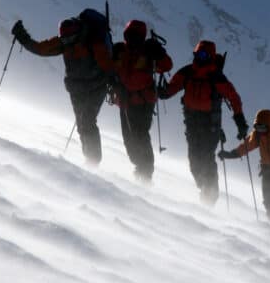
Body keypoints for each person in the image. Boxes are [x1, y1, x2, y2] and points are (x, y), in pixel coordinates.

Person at [11, 12, 113, 166]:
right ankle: (90, 159)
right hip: (77, 89)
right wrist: (22, 36)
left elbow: (108, 66)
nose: (66, 42)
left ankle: (93, 161)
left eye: (69, 39)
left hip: (96, 88)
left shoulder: (93, 42)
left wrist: (114, 82)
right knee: (82, 124)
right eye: (64, 39)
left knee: (87, 121)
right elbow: (41, 49)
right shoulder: (65, 41)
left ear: (76, 33)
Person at [158, 40, 248, 204]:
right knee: (194, 160)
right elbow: (172, 87)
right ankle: (204, 188)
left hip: (210, 126)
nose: (200, 57)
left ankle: (210, 197)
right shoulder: (187, 72)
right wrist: (163, 92)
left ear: (211, 56)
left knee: (206, 158)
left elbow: (234, 98)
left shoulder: (216, 77)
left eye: (204, 54)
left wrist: (239, 120)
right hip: (192, 123)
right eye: (198, 54)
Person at [111, 20, 173, 182]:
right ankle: (141, 168)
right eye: (131, 35)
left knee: (140, 135)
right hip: (125, 102)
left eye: (137, 36)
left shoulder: (148, 51)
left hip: (143, 103)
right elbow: (109, 67)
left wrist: (159, 52)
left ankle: (145, 172)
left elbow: (167, 65)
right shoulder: (119, 50)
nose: (133, 38)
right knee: (129, 139)